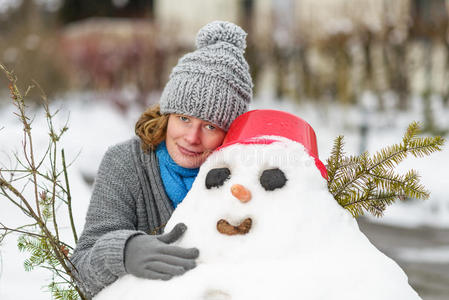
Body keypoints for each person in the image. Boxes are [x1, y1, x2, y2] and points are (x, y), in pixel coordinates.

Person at [71, 20, 253, 298]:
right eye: (183, 118)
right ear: (167, 115)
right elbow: (81, 269)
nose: (192, 138)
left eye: (210, 126)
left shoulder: (243, 174)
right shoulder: (126, 164)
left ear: (230, 133)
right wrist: (124, 251)